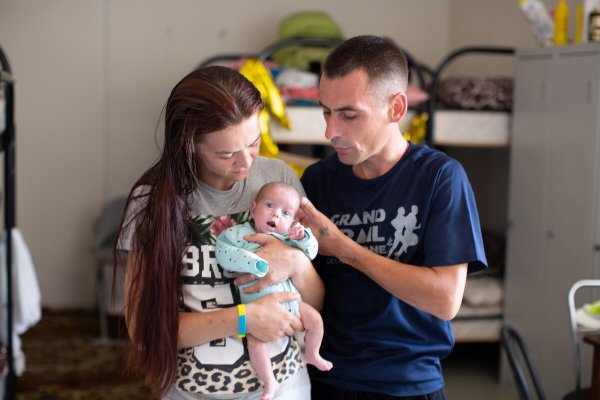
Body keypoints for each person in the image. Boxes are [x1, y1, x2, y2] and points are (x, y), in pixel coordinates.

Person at [116, 65, 324, 399]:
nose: (246, 163)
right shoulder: (151, 202)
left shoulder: (279, 180)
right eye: (226, 153)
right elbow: (143, 330)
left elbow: (315, 301)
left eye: (254, 143)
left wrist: (296, 264)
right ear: (189, 146)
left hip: (286, 388)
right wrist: (244, 319)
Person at [297, 35, 488, 399]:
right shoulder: (318, 181)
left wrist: (346, 249)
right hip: (325, 377)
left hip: (408, 384)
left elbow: (445, 300)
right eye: (326, 111)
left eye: (349, 114)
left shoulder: (440, 178)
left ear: (396, 108)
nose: (330, 131)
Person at [215, 181, 332, 400]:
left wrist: (303, 237)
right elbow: (224, 252)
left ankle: (312, 353)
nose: (276, 215)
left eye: (286, 213)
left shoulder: (290, 237)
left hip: (293, 303)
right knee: (256, 344)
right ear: (253, 208)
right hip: (258, 309)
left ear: (293, 220)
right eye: (269, 206)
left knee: (316, 320)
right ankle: (269, 381)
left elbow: (312, 252)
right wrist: (251, 263)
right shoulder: (240, 235)